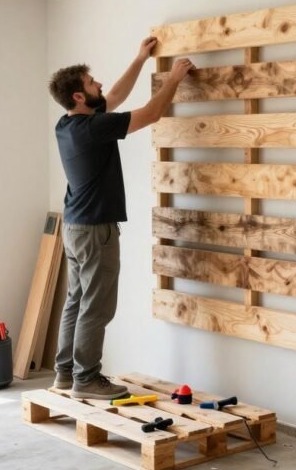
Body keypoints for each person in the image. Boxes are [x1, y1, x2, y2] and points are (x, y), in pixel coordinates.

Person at [47, 37, 194, 398]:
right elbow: (151, 114)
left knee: (76, 301)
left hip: (76, 228)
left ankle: (65, 374)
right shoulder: (93, 128)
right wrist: (173, 79)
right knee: (96, 308)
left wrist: (140, 59)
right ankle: (86, 380)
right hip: (95, 230)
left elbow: (114, 96)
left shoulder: (68, 124)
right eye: (91, 82)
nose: (98, 83)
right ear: (79, 96)